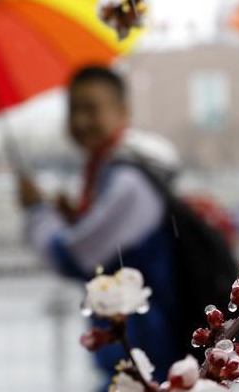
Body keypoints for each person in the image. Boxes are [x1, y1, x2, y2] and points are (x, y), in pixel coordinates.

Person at [16, 66, 184, 390]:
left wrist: (38, 211)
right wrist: (73, 220)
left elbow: (74, 256)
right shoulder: (108, 173)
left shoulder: (128, 181)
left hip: (147, 351)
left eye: (91, 108)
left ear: (123, 111)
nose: (80, 121)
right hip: (138, 348)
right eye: (73, 110)